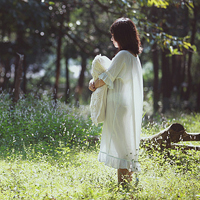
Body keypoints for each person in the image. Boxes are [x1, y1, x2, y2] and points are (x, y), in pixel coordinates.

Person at [89, 17, 143, 188]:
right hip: (125, 105)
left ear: (120, 36)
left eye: (113, 35)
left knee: (121, 148)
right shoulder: (133, 56)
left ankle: (123, 187)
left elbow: (106, 77)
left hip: (118, 106)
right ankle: (128, 185)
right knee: (125, 146)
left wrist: (93, 84)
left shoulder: (123, 55)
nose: (112, 39)